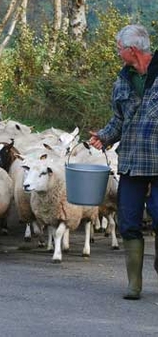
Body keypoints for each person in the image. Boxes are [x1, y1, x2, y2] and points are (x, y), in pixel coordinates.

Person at [89, 24, 158, 300]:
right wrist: (103, 137)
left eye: (119, 48)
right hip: (130, 161)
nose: (118, 53)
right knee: (128, 221)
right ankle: (134, 284)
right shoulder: (122, 80)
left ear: (132, 50)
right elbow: (118, 120)